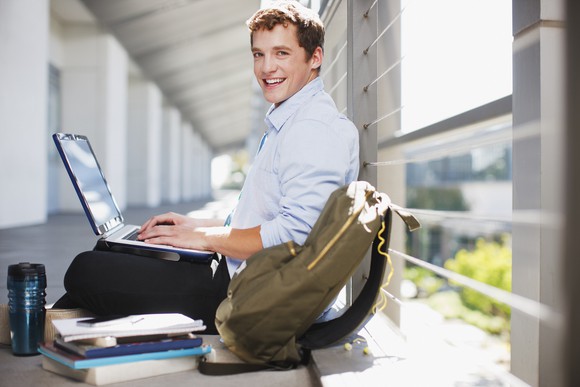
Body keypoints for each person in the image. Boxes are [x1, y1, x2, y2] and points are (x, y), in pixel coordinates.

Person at [53, 0, 359, 334]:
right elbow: (267, 218)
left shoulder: (313, 129)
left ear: (315, 57)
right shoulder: (295, 120)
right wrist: (193, 226)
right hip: (244, 277)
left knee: (87, 269)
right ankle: (51, 326)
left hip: (249, 297)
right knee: (116, 253)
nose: (266, 67)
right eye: (259, 54)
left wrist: (202, 238)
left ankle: (44, 326)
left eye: (281, 53)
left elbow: (296, 235)